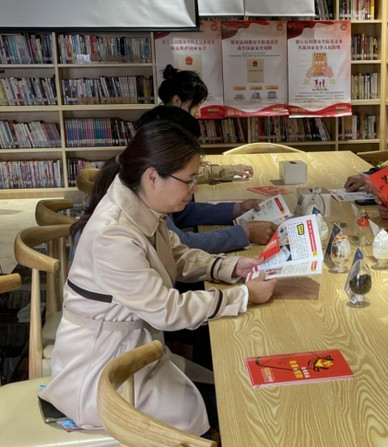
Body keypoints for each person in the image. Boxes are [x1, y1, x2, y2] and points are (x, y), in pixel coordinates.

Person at [39, 121, 277, 437]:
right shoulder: (113, 234)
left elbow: (175, 254)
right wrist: (243, 295)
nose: (193, 190)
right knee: (226, 404)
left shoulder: (140, 204)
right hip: (103, 370)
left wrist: (230, 268)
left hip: (131, 349)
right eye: (189, 181)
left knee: (225, 390)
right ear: (152, 177)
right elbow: (166, 311)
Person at [135, 105, 278, 252]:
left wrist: (236, 209)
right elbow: (181, 245)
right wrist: (244, 233)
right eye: (188, 181)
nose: (194, 189)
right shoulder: (139, 206)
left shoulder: (148, 186)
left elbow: (182, 214)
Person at [159, 64, 253, 183]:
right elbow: (183, 176)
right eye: (196, 106)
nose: (198, 113)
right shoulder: (163, 133)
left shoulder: (165, 123)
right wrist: (229, 170)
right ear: (176, 101)